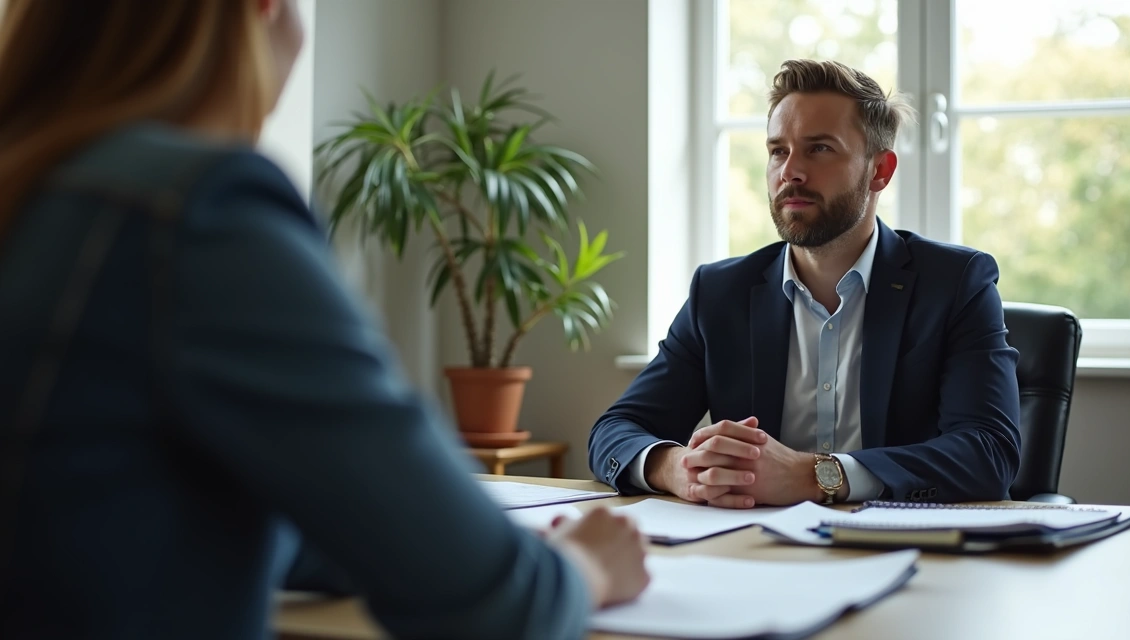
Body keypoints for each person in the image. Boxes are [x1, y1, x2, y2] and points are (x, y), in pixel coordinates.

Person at [0, 1, 647, 638]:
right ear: (262, 9)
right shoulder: (196, 212)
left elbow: (147, 508)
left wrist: (423, 531)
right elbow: (495, 607)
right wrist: (583, 565)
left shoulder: (40, 192)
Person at [589, 59, 1020, 508]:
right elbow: (615, 431)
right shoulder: (720, 293)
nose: (790, 171)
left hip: (905, 550)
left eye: (819, 149)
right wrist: (677, 468)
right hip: (753, 549)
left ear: (880, 171)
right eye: (778, 150)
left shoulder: (954, 284)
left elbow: (989, 453)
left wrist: (817, 476)